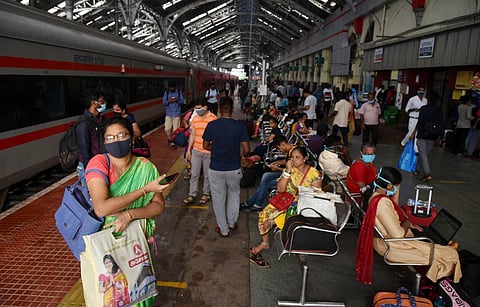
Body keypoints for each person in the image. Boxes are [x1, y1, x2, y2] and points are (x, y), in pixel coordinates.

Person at [86, 117, 167, 307]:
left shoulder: (145, 167)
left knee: (139, 290)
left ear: (131, 138)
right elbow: (101, 208)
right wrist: (144, 190)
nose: (117, 140)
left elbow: (158, 206)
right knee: (112, 296)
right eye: (110, 137)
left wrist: (131, 214)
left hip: (137, 240)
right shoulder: (99, 163)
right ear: (104, 142)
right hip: (106, 244)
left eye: (122, 135)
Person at [356, 166, 462, 285]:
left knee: (438, 245)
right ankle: (445, 285)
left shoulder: (376, 196)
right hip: (392, 246)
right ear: (390, 186)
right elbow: (399, 235)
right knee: (451, 255)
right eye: (396, 186)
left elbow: (394, 207)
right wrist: (408, 221)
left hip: (385, 240)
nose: (397, 188)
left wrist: (397, 188)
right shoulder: (382, 203)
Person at [249, 146, 322, 268]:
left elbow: (316, 196)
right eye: (292, 157)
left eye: (297, 157)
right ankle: (265, 242)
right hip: (285, 200)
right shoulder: (290, 169)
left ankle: (274, 226)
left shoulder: (314, 174)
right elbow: (280, 189)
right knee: (263, 215)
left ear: (305, 158)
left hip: (302, 206)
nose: (294, 160)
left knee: (272, 220)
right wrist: (287, 171)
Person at [203, 97, 250, 237]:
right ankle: (232, 222)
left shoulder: (212, 125)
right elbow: (247, 149)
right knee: (234, 195)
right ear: (232, 109)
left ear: (218, 109)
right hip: (234, 168)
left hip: (216, 168)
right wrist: (240, 155)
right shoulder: (239, 126)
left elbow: (205, 145)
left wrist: (216, 148)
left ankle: (223, 229)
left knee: (218, 198)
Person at [241, 135, 297, 211]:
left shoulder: (294, 153)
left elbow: (292, 171)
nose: (279, 150)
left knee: (267, 183)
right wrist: (276, 162)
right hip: (286, 173)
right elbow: (286, 161)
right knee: (266, 176)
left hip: (291, 177)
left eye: (279, 148)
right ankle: (253, 203)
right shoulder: (290, 149)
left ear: (283, 144)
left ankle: (255, 203)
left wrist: (277, 168)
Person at [183, 97, 217, 205]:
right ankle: (192, 194)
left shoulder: (213, 119)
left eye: (199, 108)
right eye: (196, 108)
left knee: (207, 175)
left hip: (208, 152)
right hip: (196, 151)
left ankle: (206, 194)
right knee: (194, 174)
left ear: (205, 107)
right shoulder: (195, 119)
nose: (198, 110)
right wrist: (189, 150)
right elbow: (192, 135)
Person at [411, 93, 443, 182]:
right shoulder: (439, 110)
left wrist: (414, 132)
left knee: (423, 155)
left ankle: (427, 173)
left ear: (428, 99)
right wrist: (442, 137)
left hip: (423, 134)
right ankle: (417, 169)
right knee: (423, 154)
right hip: (433, 135)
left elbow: (420, 121)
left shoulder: (424, 109)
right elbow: (442, 124)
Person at [76, 92, 106, 186]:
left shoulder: (99, 119)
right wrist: (90, 170)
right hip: (90, 165)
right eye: (101, 101)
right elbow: (84, 148)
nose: (104, 103)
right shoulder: (84, 123)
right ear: (94, 103)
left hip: (99, 163)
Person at [400, 86, 427, 151]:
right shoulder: (412, 99)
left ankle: (416, 149)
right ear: (417, 91)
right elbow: (406, 109)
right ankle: (403, 143)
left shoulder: (425, 100)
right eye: (420, 90)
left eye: (423, 90)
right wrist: (414, 110)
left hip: (420, 119)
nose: (421, 92)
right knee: (410, 133)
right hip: (413, 118)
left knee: (418, 134)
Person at [162, 82, 185, 149]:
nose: (171, 88)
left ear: (175, 87)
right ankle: (170, 138)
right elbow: (164, 102)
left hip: (177, 114)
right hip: (169, 114)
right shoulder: (166, 93)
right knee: (167, 129)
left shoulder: (178, 92)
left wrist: (177, 100)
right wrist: (169, 101)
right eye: (170, 87)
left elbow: (182, 102)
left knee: (175, 130)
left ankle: (173, 143)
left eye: (173, 87)